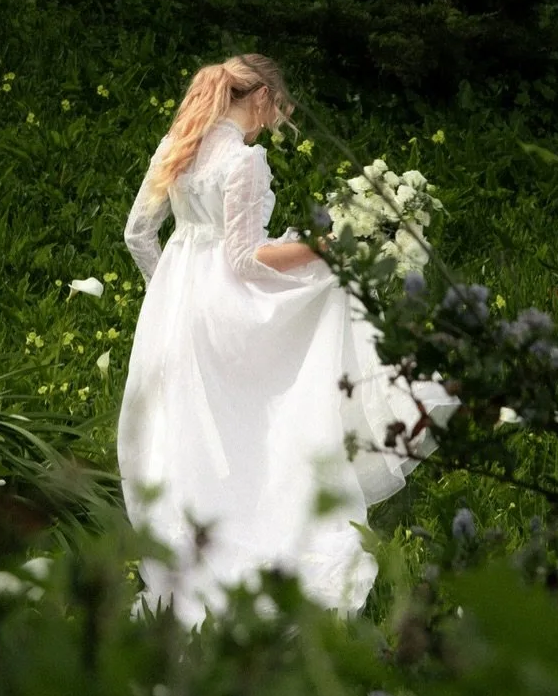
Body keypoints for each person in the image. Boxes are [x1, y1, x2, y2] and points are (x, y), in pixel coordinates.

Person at [116, 52, 454, 625]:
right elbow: (245, 261)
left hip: (176, 311)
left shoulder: (178, 144)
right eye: (275, 112)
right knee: (259, 406)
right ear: (261, 96)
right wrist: (325, 248)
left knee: (189, 428)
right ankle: (257, 522)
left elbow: (137, 235)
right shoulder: (242, 161)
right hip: (225, 307)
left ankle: (188, 545)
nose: (269, 126)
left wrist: (168, 294)